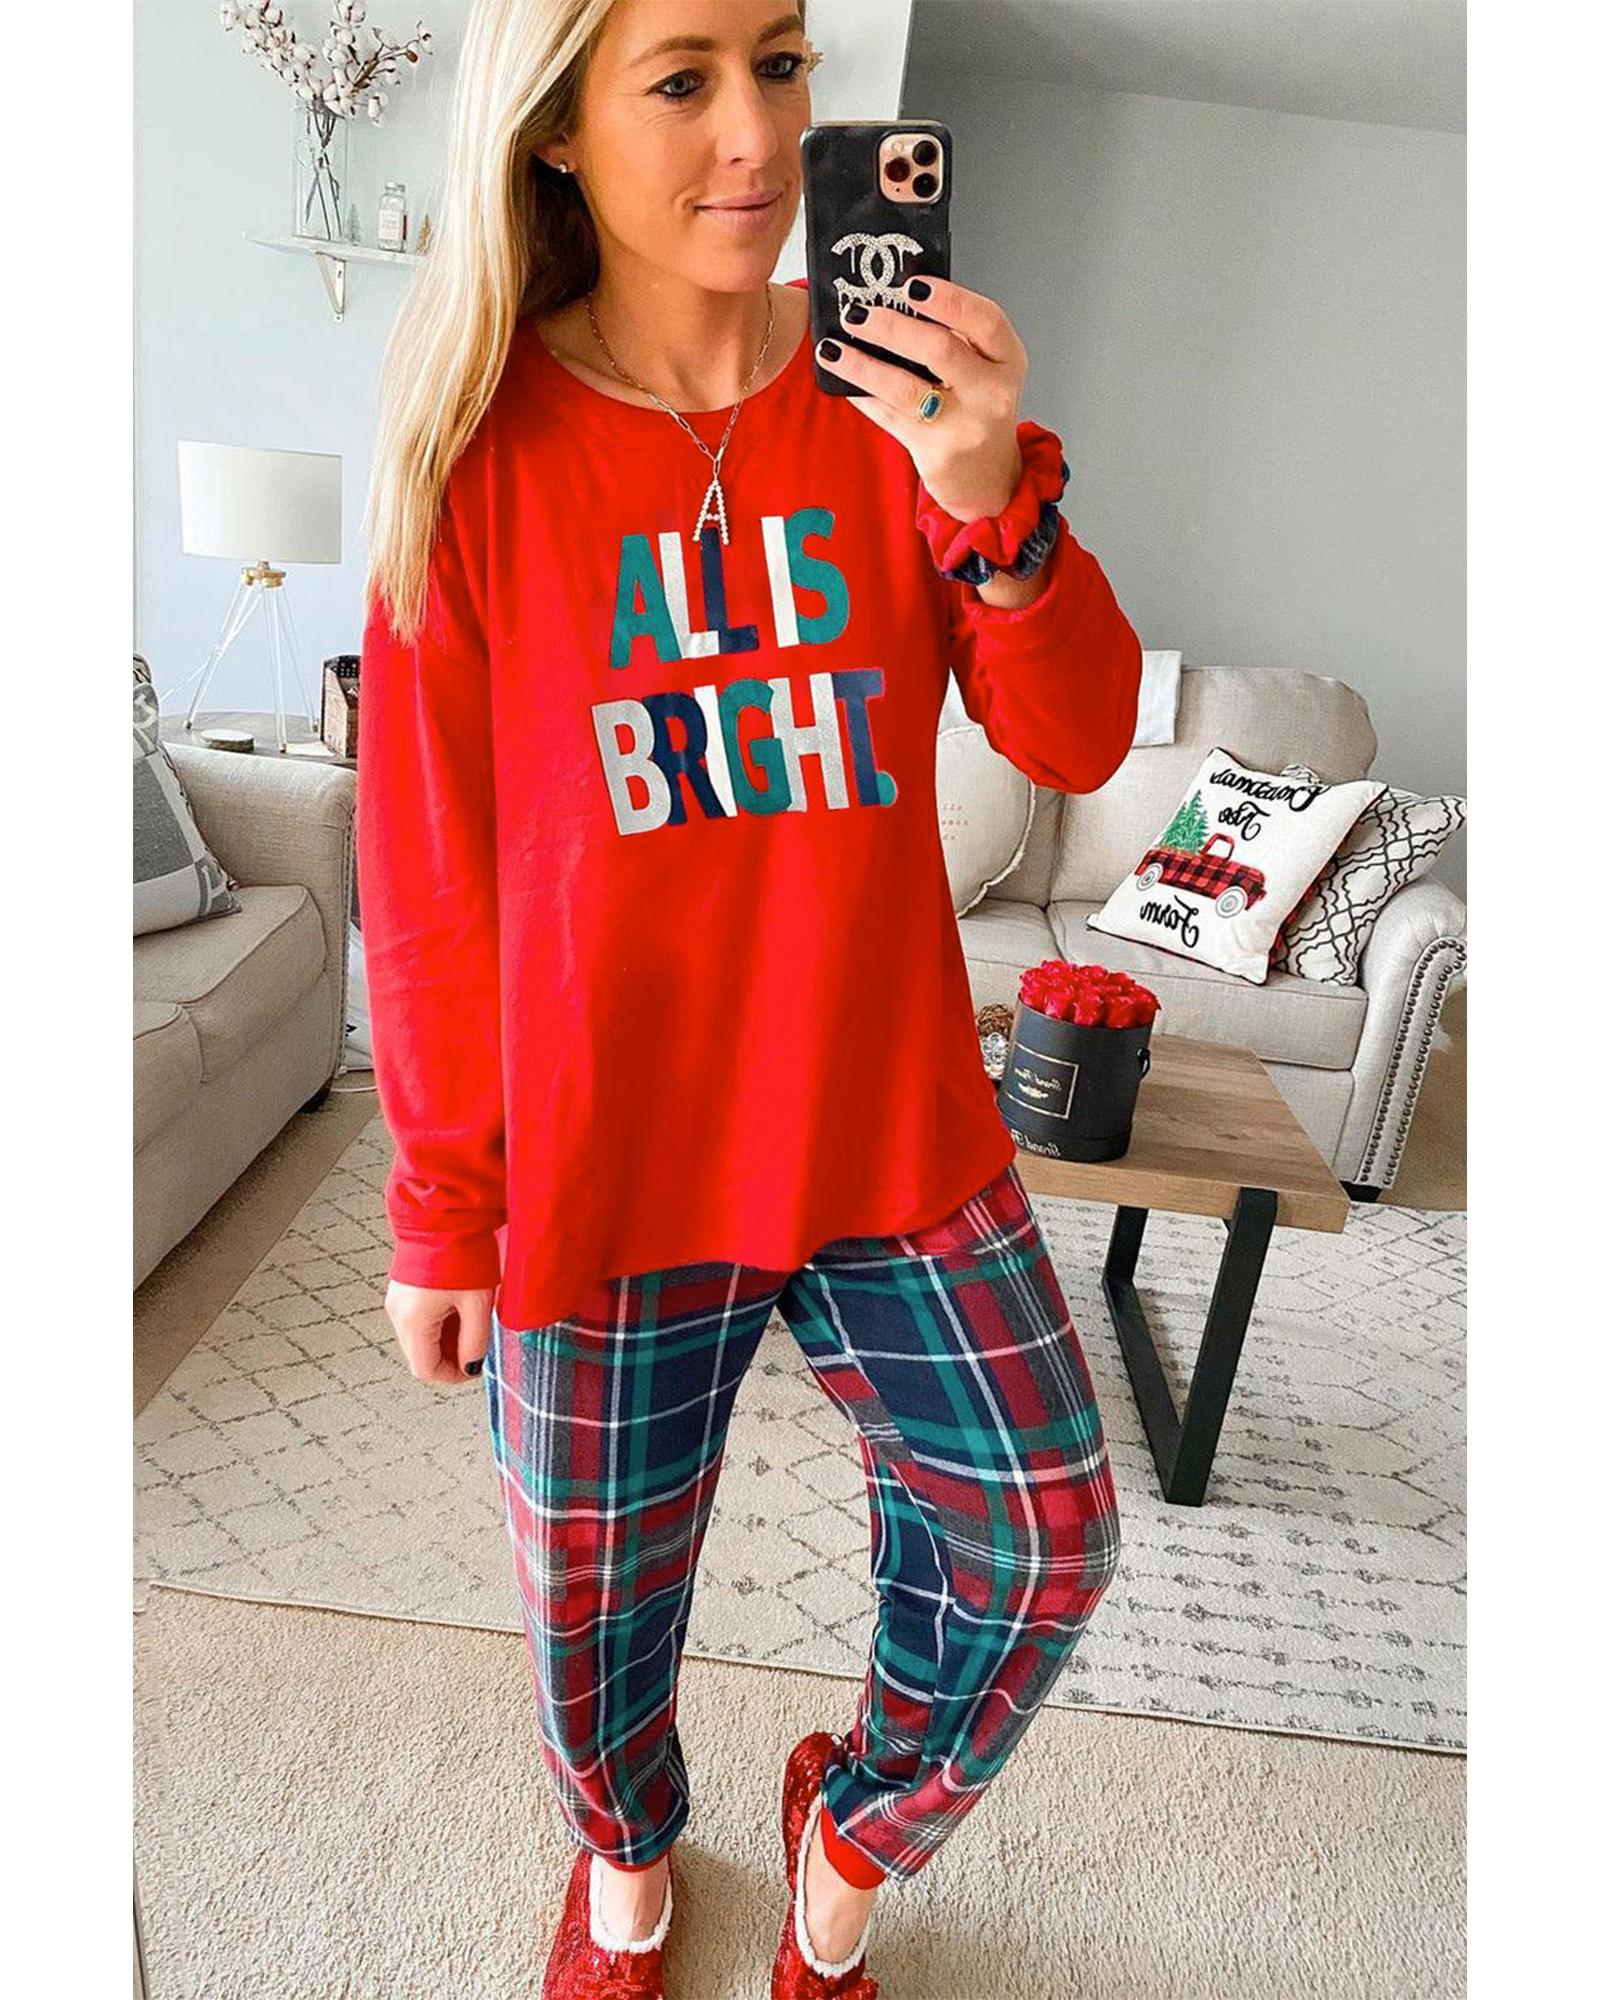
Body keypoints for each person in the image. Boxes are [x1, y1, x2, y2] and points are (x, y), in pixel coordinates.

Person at [358, 4, 1141, 1995]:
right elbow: (431, 878)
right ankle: (627, 1872)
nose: (758, 134)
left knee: (1044, 1532)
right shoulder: (476, 455)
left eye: (781, 66)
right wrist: (443, 1201)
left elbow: (1073, 734)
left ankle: (843, 1846)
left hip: (882, 1119)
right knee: (588, 1615)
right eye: (684, 77)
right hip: (606, 1155)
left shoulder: (893, 401)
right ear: (553, 128)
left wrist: (985, 488)